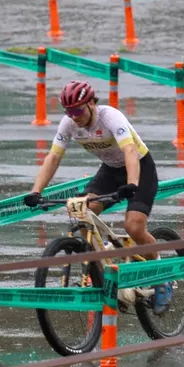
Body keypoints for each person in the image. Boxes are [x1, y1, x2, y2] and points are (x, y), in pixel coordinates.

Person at [24, 79, 160, 257]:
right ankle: (99, 265)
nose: (73, 116)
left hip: (139, 168)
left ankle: (160, 272)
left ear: (91, 103)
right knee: (81, 210)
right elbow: (54, 157)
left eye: (77, 110)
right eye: (68, 111)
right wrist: (36, 191)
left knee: (133, 227)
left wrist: (132, 184)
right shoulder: (69, 123)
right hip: (110, 170)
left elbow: (130, 149)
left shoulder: (110, 117)